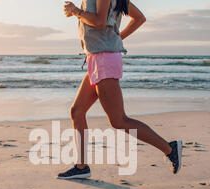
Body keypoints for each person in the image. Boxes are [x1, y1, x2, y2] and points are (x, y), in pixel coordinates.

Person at [58, 0, 182, 179]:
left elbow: (100, 22)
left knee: (119, 120)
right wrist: (116, 38)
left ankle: (170, 149)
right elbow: (139, 18)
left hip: (104, 60)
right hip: (97, 58)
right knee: (77, 112)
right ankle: (81, 166)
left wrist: (76, 11)